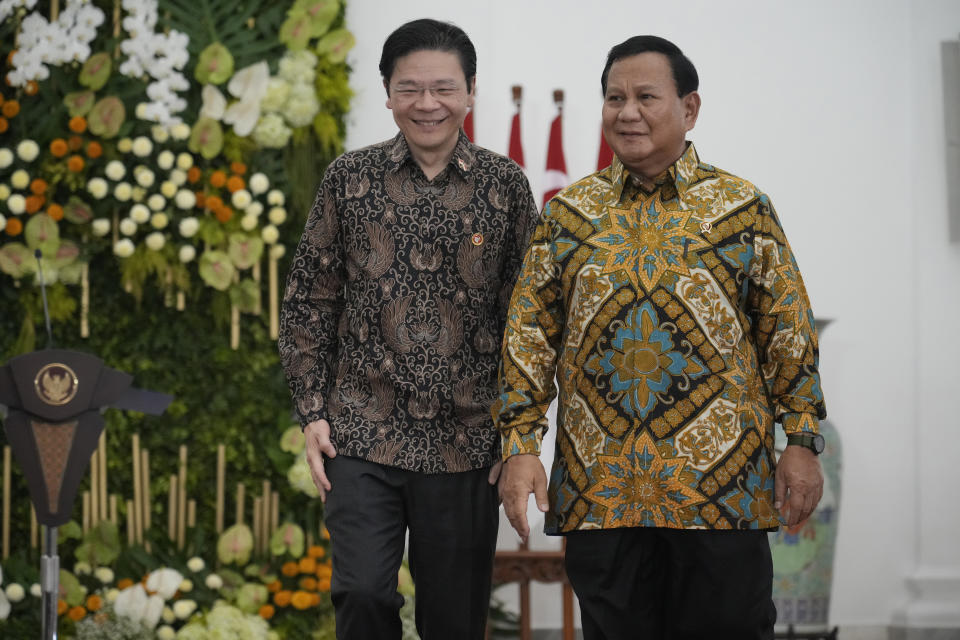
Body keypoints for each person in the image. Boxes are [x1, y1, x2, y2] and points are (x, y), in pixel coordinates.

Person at [493, 35, 827, 640]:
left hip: (721, 490)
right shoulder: (568, 214)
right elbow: (528, 337)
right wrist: (521, 444)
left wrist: (801, 440)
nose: (628, 112)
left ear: (690, 108)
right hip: (603, 492)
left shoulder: (742, 208)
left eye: (646, 96)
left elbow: (788, 330)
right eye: (615, 98)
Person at [278, 18, 539, 640]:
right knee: (363, 596)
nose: (428, 104)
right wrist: (313, 411)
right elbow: (308, 302)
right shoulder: (350, 179)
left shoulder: (505, 187)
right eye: (411, 88)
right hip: (363, 434)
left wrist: (519, 432)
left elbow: (529, 318)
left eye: (444, 88)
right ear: (388, 93)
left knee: (454, 621)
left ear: (471, 91)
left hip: (468, 442)